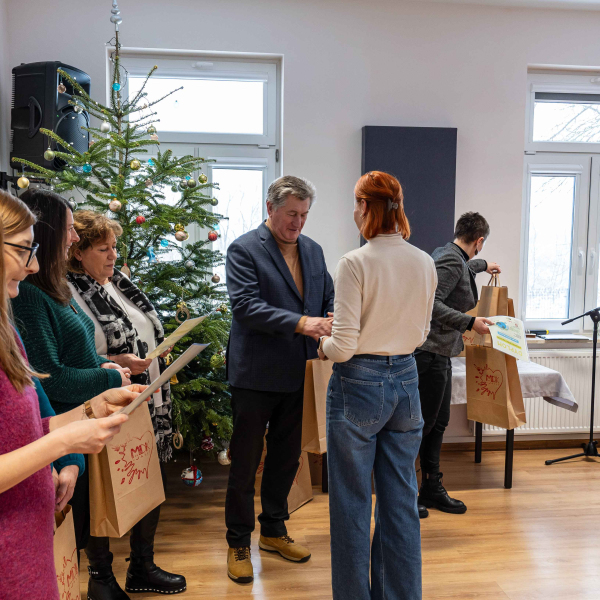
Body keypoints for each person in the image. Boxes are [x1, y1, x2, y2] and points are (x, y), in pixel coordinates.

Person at [0, 189, 145, 600]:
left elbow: (31, 420)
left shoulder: (7, 329)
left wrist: (93, 408)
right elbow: (53, 384)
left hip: (26, 540)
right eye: (23, 250)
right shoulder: (28, 301)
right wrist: (63, 443)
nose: (31, 265)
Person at [318, 171, 436, 600]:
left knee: (351, 502)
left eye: (356, 203)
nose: (355, 211)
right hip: (407, 380)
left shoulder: (354, 262)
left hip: (359, 384)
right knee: (401, 500)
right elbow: (422, 333)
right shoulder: (424, 261)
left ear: (365, 206)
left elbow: (343, 347)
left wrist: (323, 342)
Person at [66, 209, 185, 596]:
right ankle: (100, 575)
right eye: (103, 249)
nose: (113, 255)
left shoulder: (119, 281)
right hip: (104, 401)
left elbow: (143, 329)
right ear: (78, 252)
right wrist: (118, 360)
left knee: (147, 475)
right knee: (102, 487)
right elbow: (78, 355)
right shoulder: (68, 291)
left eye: (115, 247)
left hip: (147, 398)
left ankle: (142, 566)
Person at [224, 175, 334, 583]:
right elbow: (246, 307)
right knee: (245, 463)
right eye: (291, 214)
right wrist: (304, 323)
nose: (298, 223)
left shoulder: (314, 250)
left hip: (299, 372)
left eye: (304, 214)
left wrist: (332, 322)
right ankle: (238, 542)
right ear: (270, 208)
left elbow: (327, 298)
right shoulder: (244, 249)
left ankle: (273, 530)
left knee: (287, 459)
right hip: (254, 375)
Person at [416, 211, 500, 518]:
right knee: (423, 426)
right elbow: (430, 303)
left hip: (441, 353)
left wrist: (484, 264)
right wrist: (469, 321)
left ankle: (431, 486)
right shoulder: (451, 260)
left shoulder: (449, 254)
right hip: (429, 353)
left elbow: (465, 267)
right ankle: (408, 492)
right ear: (479, 240)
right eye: (481, 247)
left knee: (438, 422)